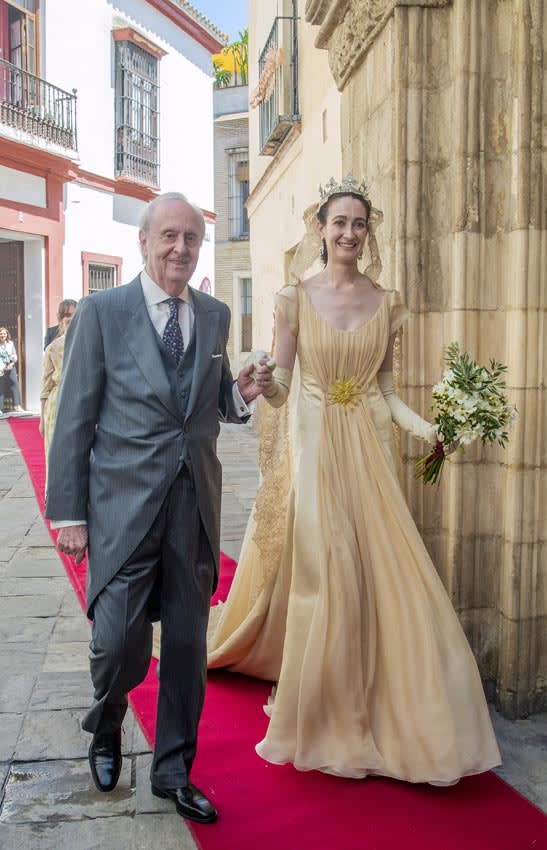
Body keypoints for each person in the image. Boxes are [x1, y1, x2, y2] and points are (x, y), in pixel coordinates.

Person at [207, 176, 502, 784]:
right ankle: (323, 711)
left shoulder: (388, 301)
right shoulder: (293, 299)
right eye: (339, 222)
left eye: (359, 224)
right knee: (329, 567)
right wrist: (262, 385)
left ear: (369, 234)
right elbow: (285, 386)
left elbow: (385, 391)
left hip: (367, 453)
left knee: (386, 570)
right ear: (320, 229)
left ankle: (389, 704)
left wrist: (432, 431)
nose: (348, 233)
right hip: (315, 454)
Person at [45, 192, 273, 823]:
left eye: (191, 239)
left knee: (184, 649)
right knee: (118, 642)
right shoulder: (102, 313)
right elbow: (73, 419)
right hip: (121, 506)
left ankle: (173, 770)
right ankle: (107, 721)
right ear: (144, 242)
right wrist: (69, 512)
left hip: (192, 507)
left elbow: (204, 403)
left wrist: (238, 393)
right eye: (168, 236)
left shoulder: (217, 314)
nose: (179, 248)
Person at [39, 303, 76, 471]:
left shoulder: (89, 343)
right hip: (56, 406)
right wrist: (41, 420)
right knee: (55, 455)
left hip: (79, 402)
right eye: (67, 315)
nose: (70, 318)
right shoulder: (52, 348)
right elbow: (45, 387)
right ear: (60, 320)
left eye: (74, 314)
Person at [0, 326, 25, 415]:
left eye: (4, 333)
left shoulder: (10, 343)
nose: (3, 335)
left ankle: (17, 406)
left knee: (14, 385)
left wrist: (11, 364)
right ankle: (0, 408)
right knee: (1, 388)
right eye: (1, 334)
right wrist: (3, 367)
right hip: (1, 369)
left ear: (7, 335)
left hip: (11, 367)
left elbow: (14, 355)